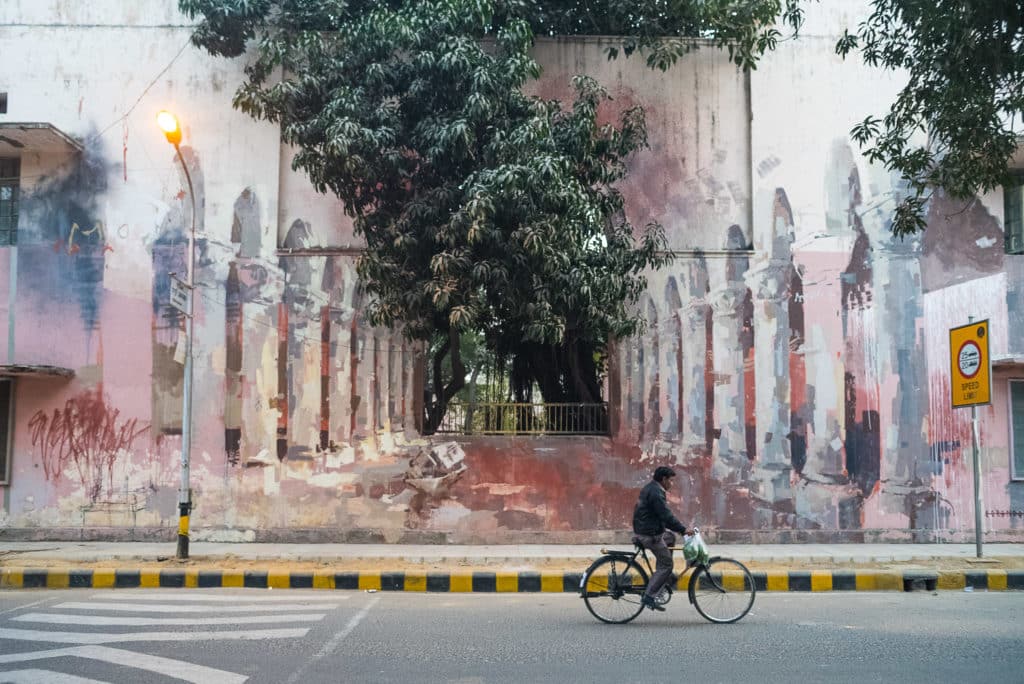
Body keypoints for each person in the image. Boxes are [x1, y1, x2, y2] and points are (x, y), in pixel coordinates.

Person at [632, 466, 687, 612]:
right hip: (649, 534)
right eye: (671, 480)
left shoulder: (652, 488)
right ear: (663, 479)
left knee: (670, 537)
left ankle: (663, 578)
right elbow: (666, 516)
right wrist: (683, 529)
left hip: (647, 529)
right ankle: (649, 596)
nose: (672, 483)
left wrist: (678, 530)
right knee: (667, 565)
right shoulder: (656, 493)